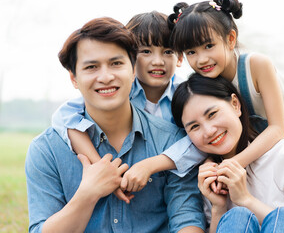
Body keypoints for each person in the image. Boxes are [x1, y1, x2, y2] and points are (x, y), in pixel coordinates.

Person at [25, 17, 205, 232]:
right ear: (74, 78)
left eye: (116, 63)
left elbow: (186, 219)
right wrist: (87, 194)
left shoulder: (171, 139)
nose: (106, 76)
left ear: (132, 71)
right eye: (91, 67)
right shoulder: (47, 150)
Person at [51, 11, 206, 196]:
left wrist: (152, 164)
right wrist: (102, 167)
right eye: (146, 52)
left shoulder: (187, 95)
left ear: (179, 58)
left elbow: (204, 139)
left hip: (179, 182)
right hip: (130, 185)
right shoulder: (117, 91)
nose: (158, 61)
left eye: (168, 52)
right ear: (131, 58)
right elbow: (64, 117)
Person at [167, 0, 284, 181]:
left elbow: (278, 129)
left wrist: (232, 164)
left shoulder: (256, 66)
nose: (202, 59)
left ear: (230, 39)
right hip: (250, 138)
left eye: (208, 45)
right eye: (191, 52)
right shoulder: (205, 79)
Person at [171, 73, 284, 233]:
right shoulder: (209, 178)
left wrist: (245, 200)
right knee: (236, 217)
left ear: (235, 104)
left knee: (282, 217)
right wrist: (218, 208)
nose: (209, 131)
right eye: (194, 127)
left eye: (212, 114)